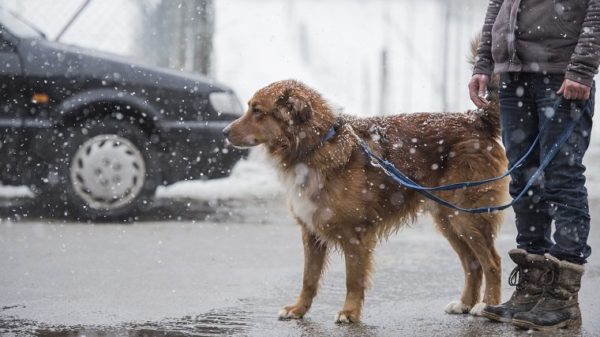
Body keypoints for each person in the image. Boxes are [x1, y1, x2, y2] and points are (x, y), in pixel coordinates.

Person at [469, 0, 599, 331]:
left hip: (560, 76)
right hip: (513, 76)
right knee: (524, 181)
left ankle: (563, 299)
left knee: (561, 179)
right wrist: (483, 63)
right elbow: (497, 5)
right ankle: (532, 287)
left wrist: (582, 68)